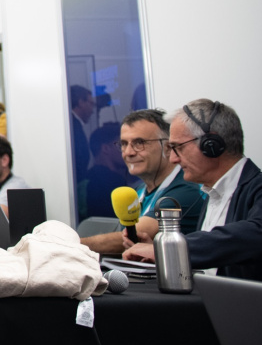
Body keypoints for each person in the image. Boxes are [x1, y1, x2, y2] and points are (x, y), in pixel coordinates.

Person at [123, 100, 262, 281]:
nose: (173, 159)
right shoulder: (211, 195)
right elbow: (214, 263)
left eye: (179, 147)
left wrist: (171, 249)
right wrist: (162, 253)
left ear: (211, 145)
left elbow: (258, 236)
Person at [81, 109, 206, 255]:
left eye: (139, 143)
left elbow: (132, 237)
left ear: (167, 147)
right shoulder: (138, 191)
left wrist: (68, 244)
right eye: (123, 144)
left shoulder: (186, 190)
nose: (128, 152)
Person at [70, 84, 95, 180]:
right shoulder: (72, 127)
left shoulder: (73, 124)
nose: (92, 110)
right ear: (81, 102)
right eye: (91, 104)